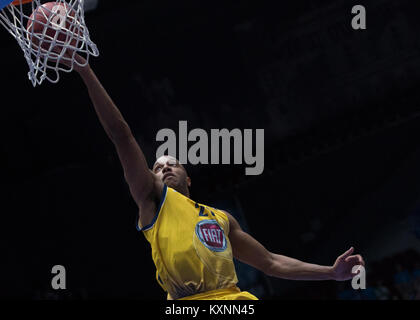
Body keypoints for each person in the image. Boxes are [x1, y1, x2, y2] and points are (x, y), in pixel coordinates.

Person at [61, 53, 365, 300]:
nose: (164, 168)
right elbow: (121, 136)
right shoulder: (154, 201)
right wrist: (85, 70)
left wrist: (331, 272)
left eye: (172, 164)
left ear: (188, 178)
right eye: (157, 167)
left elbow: (270, 262)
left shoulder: (221, 219)